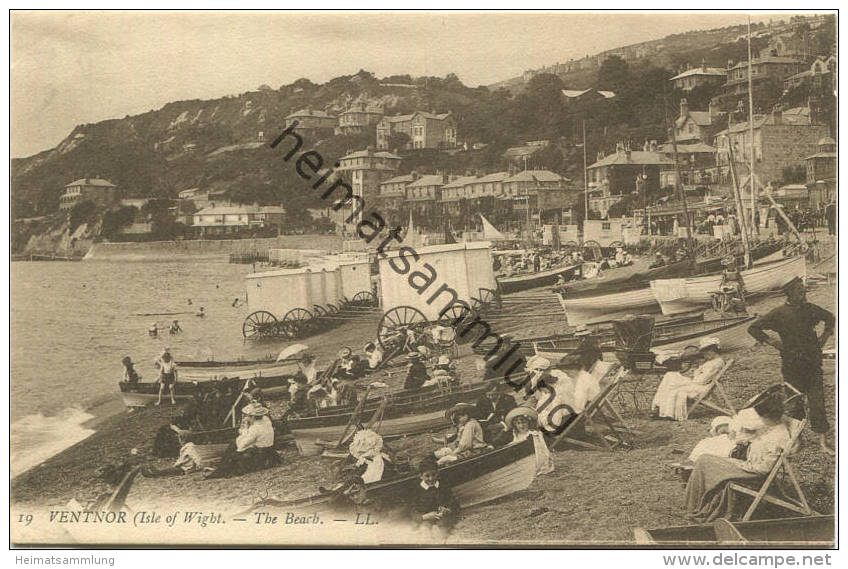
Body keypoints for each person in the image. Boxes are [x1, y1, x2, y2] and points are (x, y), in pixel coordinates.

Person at [747, 276, 835, 455]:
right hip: (791, 364)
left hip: (812, 362)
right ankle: (797, 440)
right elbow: (753, 328)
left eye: (803, 290)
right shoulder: (779, 313)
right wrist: (773, 342)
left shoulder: (810, 309)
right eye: (799, 291)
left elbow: (830, 317)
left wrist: (825, 337)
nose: (803, 293)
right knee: (794, 403)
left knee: (817, 401)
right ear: (790, 293)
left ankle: (823, 442)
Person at [684, 387, 799, 522]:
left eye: (761, 417)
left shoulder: (778, 435)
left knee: (704, 461)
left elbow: (768, 465)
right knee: (705, 460)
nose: (761, 421)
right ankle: (695, 505)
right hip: (750, 466)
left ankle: (693, 506)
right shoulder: (776, 426)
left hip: (753, 472)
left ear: (767, 416)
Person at [651, 338, 725, 421]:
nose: (704, 354)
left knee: (670, 379)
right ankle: (660, 407)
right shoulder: (713, 361)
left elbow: (701, 380)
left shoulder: (716, 363)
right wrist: (696, 373)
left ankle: (660, 408)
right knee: (669, 376)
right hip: (697, 383)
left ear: (712, 350)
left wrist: (694, 374)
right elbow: (701, 376)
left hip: (699, 387)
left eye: (705, 351)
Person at [203, 403, 280, 479]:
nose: (245, 417)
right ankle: (221, 465)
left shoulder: (255, 428)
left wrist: (245, 429)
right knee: (236, 444)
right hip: (269, 449)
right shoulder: (266, 420)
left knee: (234, 446)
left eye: (247, 416)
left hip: (260, 453)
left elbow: (242, 445)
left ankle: (221, 468)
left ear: (252, 417)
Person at [495, 407, 554, 476]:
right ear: (515, 425)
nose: (521, 426)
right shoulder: (514, 434)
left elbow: (540, 450)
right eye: (518, 423)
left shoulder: (533, 434)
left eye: (524, 423)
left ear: (528, 423)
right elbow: (500, 441)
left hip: (530, 459)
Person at [410, 456, 460, 538]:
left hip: (442, 518)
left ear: (438, 473)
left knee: (442, 530)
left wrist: (447, 510)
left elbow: (454, 503)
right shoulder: (417, 489)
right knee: (425, 531)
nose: (431, 478)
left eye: (434, 475)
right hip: (426, 518)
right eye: (427, 476)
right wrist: (425, 516)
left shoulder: (443, 485)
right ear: (421, 476)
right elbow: (412, 511)